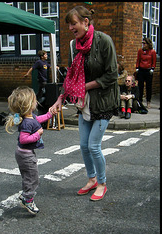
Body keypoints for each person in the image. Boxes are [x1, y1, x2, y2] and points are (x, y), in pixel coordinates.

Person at [50, 6, 119, 201]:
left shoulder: (104, 41)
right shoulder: (74, 45)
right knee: (83, 145)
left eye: (74, 23)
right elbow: (71, 75)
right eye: (69, 25)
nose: (70, 27)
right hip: (84, 102)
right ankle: (92, 179)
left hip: (103, 101)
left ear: (86, 22)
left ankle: (102, 183)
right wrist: (60, 98)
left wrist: (85, 86)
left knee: (94, 146)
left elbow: (112, 74)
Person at [5, 86, 55, 214]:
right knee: (33, 178)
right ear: (28, 104)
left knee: (28, 176)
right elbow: (24, 139)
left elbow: (38, 119)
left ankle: (25, 194)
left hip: (24, 153)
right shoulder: (27, 122)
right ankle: (27, 199)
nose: (36, 102)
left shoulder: (29, 117)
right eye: (34, 100)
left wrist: (49, 114)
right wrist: (38, 134)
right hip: (25, 155)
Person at [136, 37, 156, 108]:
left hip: (148, 70)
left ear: (148, 44)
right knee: (140, 86)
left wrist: (152, 68)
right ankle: (140, 101)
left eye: (144, 43)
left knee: (148, 87)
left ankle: (148, 101)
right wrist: (137, 68)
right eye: (143, 43)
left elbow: (154, 61)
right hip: (141, 70)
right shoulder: (140, 51)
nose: (143, 45)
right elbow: (138, 59)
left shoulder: (152, 52)